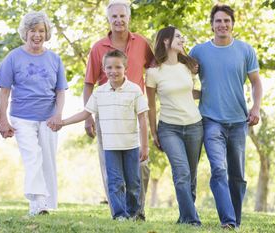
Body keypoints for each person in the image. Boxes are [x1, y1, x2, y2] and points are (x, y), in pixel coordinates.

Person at [189, 4, 263, 228]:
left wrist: (256, 108)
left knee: (237, 176)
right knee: (218, 170)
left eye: (226, 21)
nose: (222, 25)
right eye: (218, 21)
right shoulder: (198, 51)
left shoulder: (245, 50)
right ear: (211, 25)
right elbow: (182, 79)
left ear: (232, 24)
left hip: (239, 122)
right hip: (210, 120)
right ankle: (228, 221)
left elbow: (256, 83)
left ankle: (235, 220)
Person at [54, 50, 148, 220]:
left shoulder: (134, 90)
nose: (114, 71)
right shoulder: (99, 92)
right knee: (115, 182)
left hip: (131, 145)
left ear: (125, 68)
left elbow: (142, 119)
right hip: (110, 146)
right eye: (109, 67)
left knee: (134, 183)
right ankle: (120, 215)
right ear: (104, 69)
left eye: (118, 67)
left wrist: (145, 145)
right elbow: (85, 114)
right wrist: (63, 122)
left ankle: (135, 213)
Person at [83, 0, 154, 219]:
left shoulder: (142, 43)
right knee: (111, 169)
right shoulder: (98, 48)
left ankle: (138, 211)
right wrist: (88, 118)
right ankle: (119, 213)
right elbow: (88, 83)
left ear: (129, 18)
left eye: (122, 16)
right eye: (114, 16)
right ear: (108, 19)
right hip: (108, 117)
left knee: (141, 166)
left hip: (135, 114)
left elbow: (156, 69)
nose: (118, 20)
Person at [0, 11, 68, 216]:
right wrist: (3, 119)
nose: (37, 35)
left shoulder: (54, 58)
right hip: (21, 117)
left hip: (48, 118)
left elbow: (60, 91)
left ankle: (44, 202)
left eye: (41, 30)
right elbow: (4, 91)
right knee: (33, 157)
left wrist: (58, 115)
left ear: (46, 33)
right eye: (33, 30)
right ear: (25, 33)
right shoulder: (14, 57)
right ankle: (37, 204)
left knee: (47, 159)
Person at [146, 26, 203, 226]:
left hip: (195, 126)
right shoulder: (153, 73)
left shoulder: (188, 66)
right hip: (169, 128)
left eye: (182, 37)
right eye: (178, 36)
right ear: (165, 41)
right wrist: (153, 132)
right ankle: (192, 220)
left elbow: (189, 93)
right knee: (182, 173)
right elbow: (151, 105)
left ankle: (185, 216)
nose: (182, 39)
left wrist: (206, 95)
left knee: (192, 176)